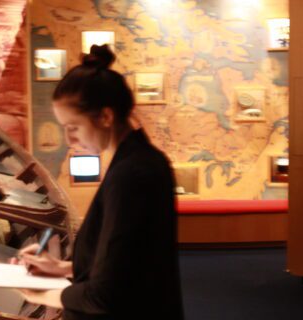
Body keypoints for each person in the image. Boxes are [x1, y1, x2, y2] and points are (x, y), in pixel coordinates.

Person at [15, 44, 184, 319]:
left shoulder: (131, 174)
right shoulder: (142, 160)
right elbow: (132, 264)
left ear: (105, 116)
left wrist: (42, 294)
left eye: (73, 127)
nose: (69, 140)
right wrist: (61, 268)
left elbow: (109, 295)